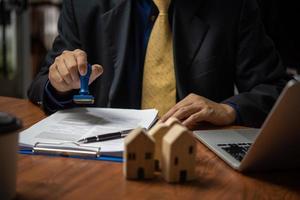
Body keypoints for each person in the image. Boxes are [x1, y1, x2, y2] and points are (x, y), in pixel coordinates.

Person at [28, 0, 290, 130]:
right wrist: (60, 84)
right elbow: (42, 85)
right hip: (103, 155)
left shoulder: (232, 5)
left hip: (195, 154)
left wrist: (228, 109)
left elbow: (275, 90)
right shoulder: (84, 4)